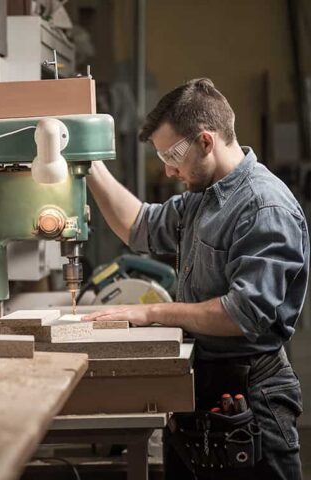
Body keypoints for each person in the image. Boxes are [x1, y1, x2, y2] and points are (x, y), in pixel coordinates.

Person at [84, 78, 309, 479]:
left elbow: (243, 313)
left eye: (173, 155)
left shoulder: (262, 207)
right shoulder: (202, 197)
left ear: (206, 141)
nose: (167, 169)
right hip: (204, 386)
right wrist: (88, 164)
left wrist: (154, 314)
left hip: (251, 396)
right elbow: (140, 226)